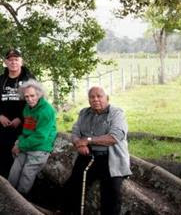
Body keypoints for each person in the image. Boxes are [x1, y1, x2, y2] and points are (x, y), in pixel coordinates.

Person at [62, 87, 131, 215]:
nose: (95, 99)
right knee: (72, 186)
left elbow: (114, 137)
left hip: (111, 158)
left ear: (107, 98)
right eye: (92, 97)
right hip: (88, 156)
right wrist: (79, 144)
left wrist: (87, 140)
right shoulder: (84, 113)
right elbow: (75, 132)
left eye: (99, 96)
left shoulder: (116, 113)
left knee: (111, 194)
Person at [0, 48, 34, 177]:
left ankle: (15, 185)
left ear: (21, 61)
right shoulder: (1, 80)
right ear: (6, 62)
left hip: (22, 126)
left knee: (17, 158)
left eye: (16, 59)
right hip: (2, 124)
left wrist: (20, 118)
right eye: (10, 60)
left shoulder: (29, 79)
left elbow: (34, 102)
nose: (13, 62)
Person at [8, 80, 56, 195]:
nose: (29, 99)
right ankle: (8, 194)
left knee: (27, 174)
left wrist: (20, 145)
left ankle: (20, 199)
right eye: (26, 96)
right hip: (27, 144)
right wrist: (19, 142)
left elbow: (40, 136)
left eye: (32, 96)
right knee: (14, 171)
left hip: (40, 147)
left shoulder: (46, 111)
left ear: (39, 94)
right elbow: (27, 130)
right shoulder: (27, 108)